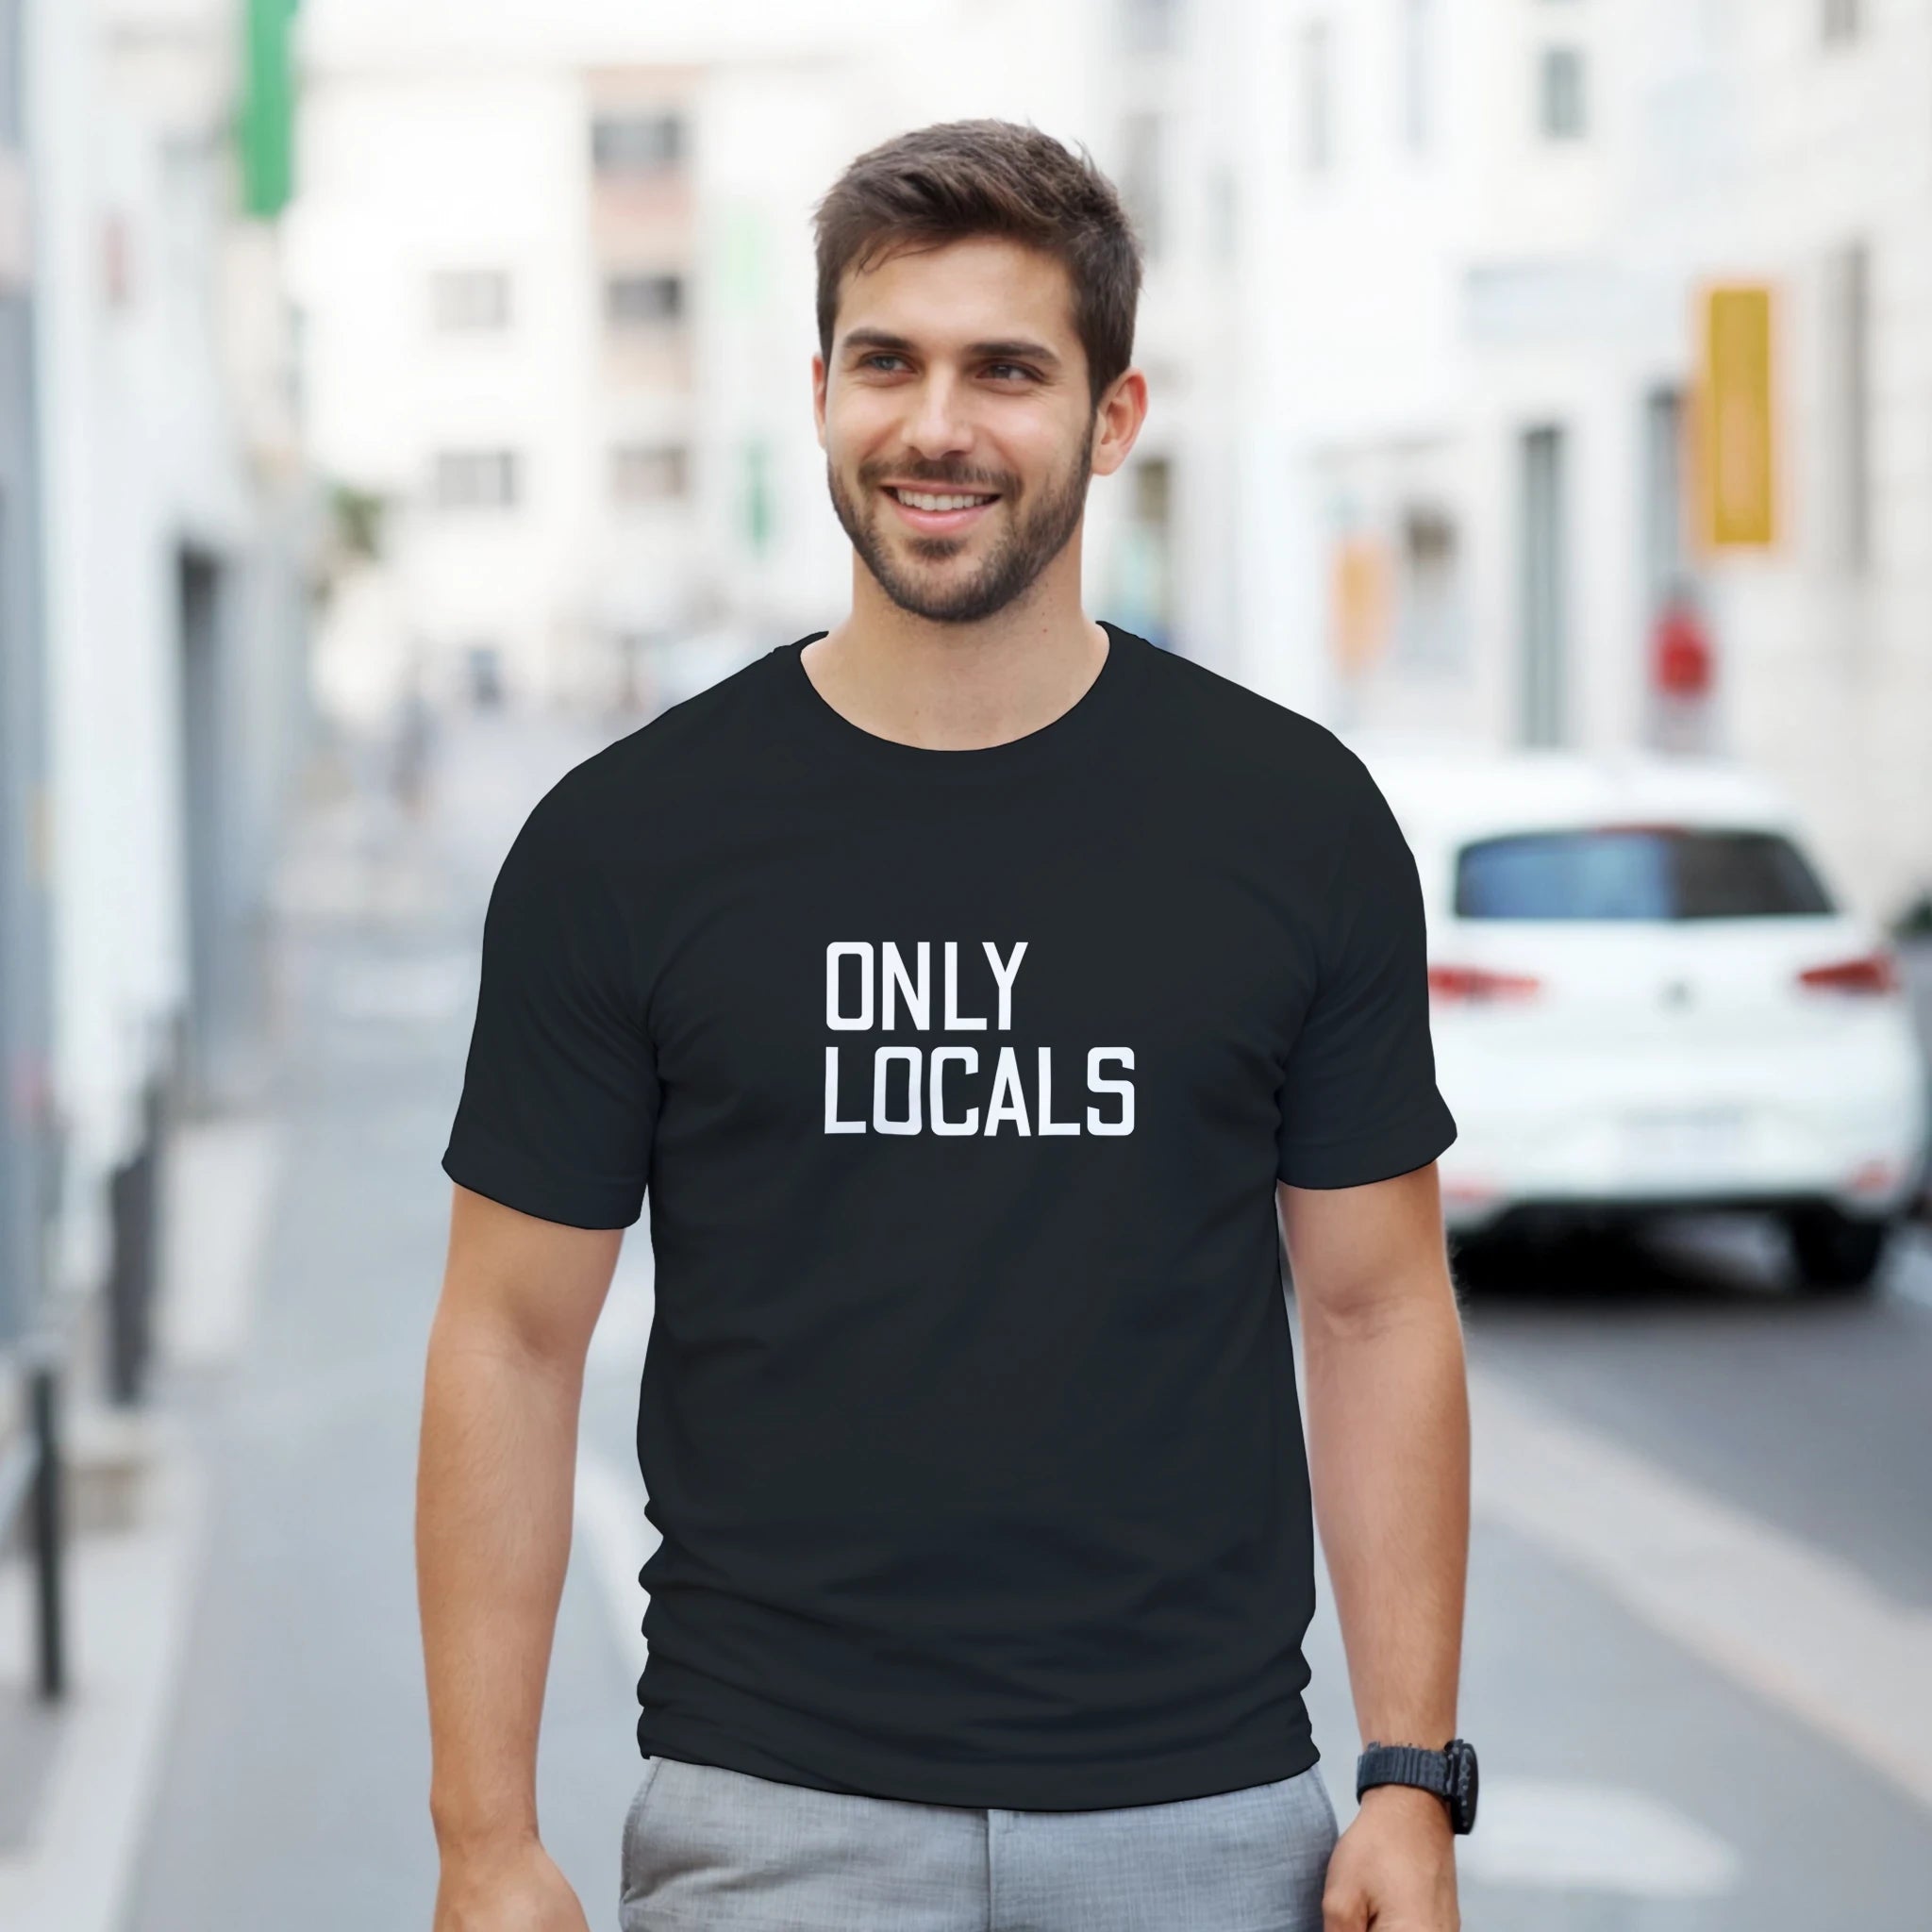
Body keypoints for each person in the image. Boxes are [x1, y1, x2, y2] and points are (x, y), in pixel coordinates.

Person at [420, 118, 1473, 1932]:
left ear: (1114, 416)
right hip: (774, 1822)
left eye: (1006, 370)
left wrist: (1409, 1779)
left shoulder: (1292, 823)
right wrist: (483, 1841)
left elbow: (1376, 1307)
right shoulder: (629, 843)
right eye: (887, 362)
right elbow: (509, 1340)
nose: (937, 425)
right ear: (820, 393)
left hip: (1203, 1818)